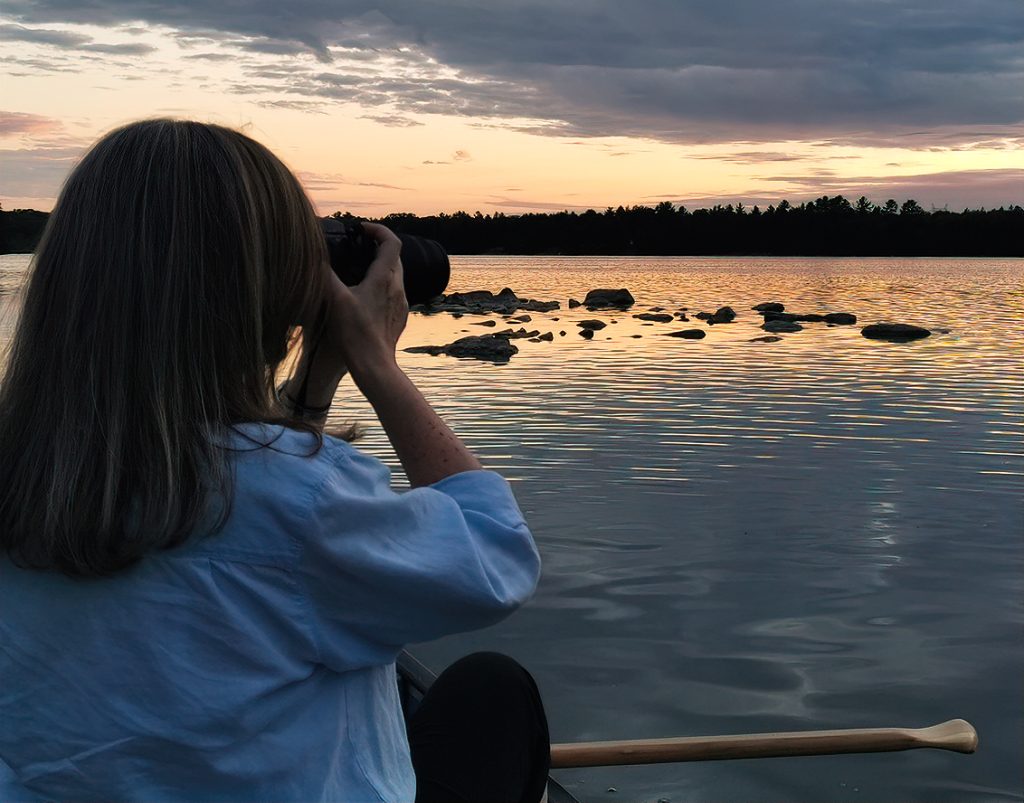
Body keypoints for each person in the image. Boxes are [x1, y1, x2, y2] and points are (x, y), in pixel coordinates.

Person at [0, 119, 550, 802]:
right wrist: (376, 362)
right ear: (259, 295)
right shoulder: (299, 501)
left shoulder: (23, 472)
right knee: (494, 692)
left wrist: (314, 385)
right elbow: (495, 558)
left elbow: (249, 487)